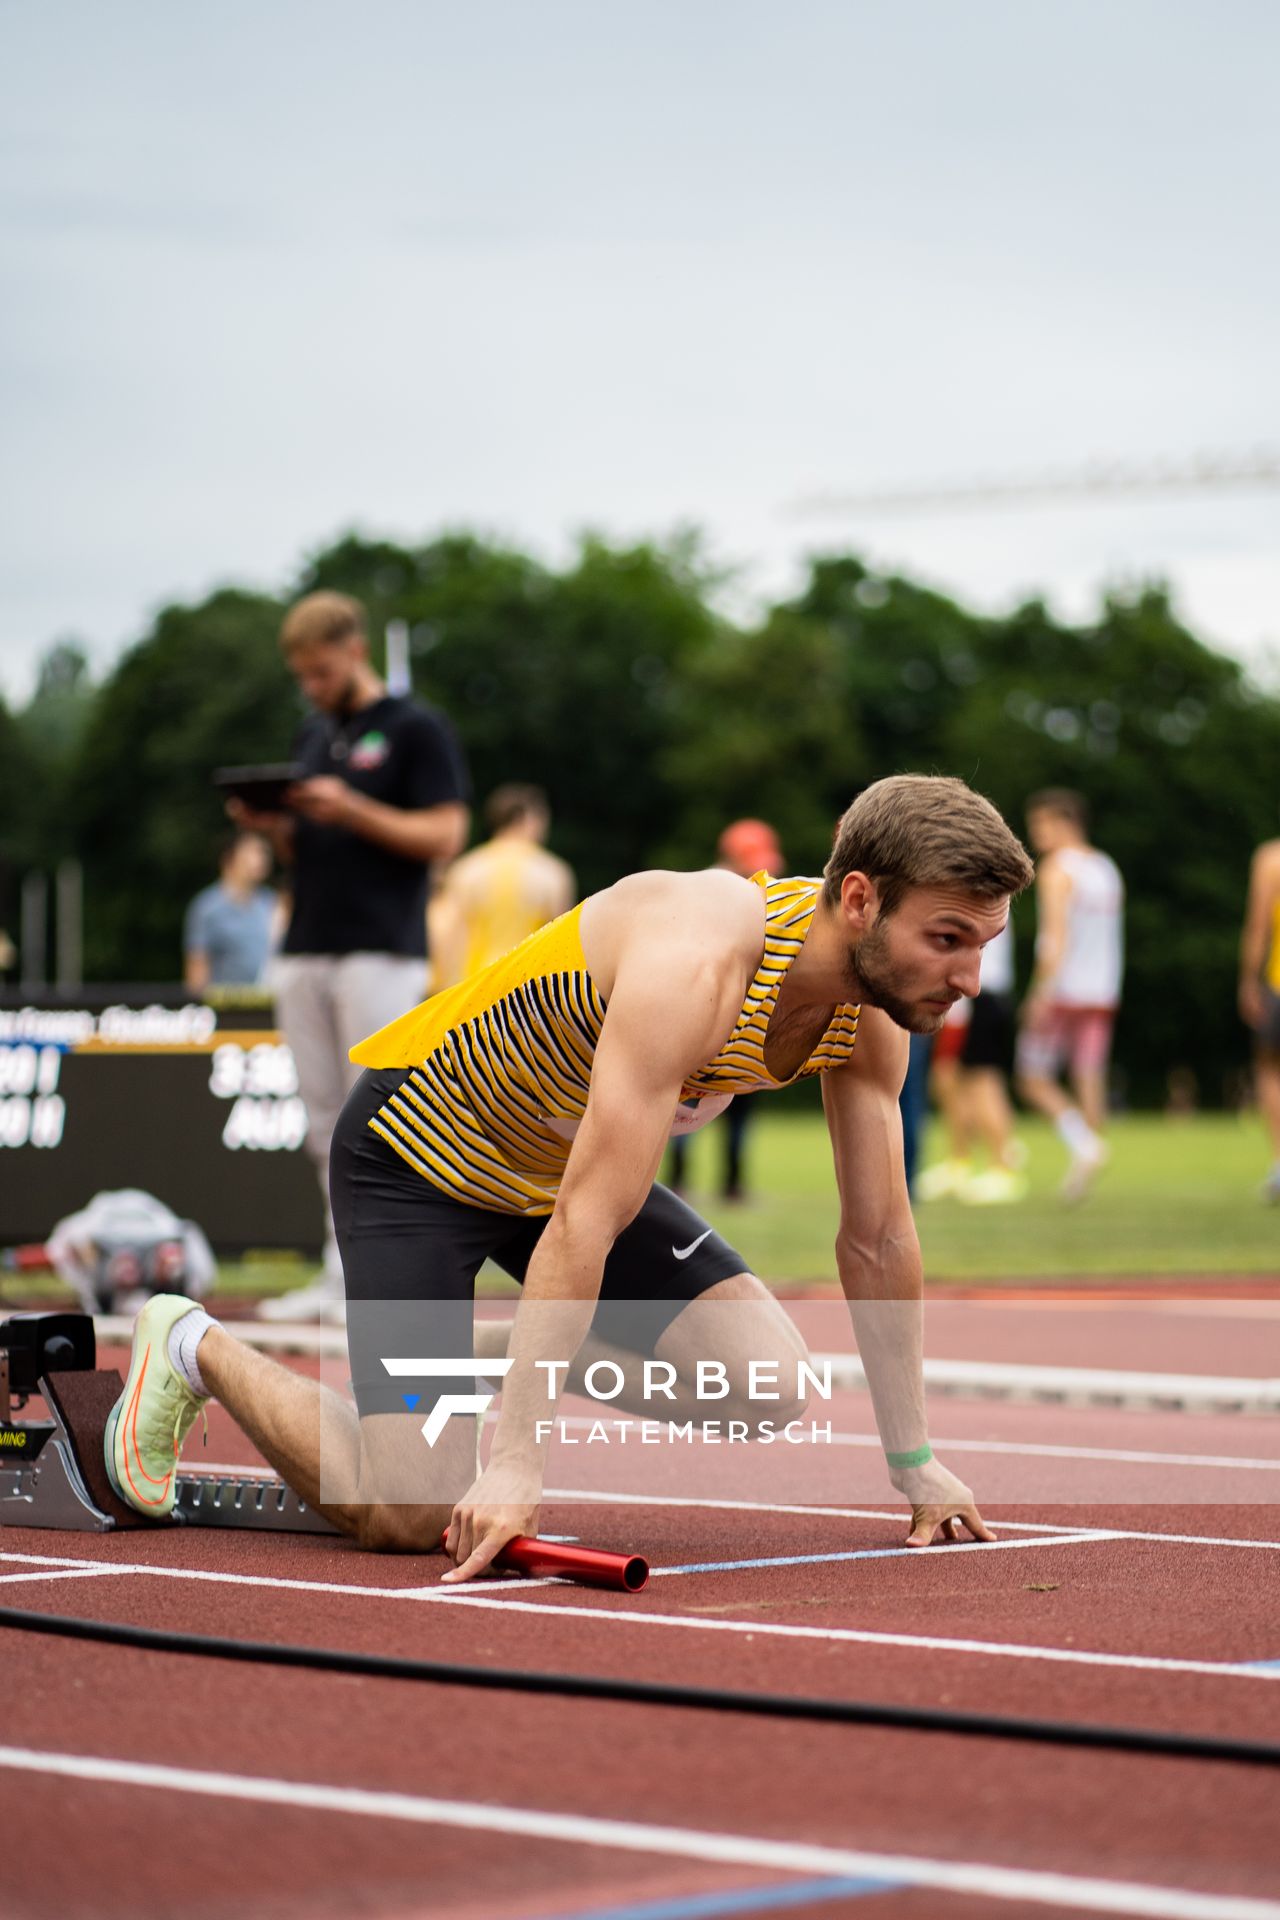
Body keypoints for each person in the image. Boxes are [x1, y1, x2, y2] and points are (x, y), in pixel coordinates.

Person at [104, 775, 1033, 1582]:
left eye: (984, 943)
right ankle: (191, 1342)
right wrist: (516, 1464)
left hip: (563, 1165)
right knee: (409, 1514)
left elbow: (878, 1237)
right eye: (949, 938)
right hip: (423, 1154)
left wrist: (915, 1462)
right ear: (862, 900)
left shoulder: (869, 1016)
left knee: (768, 1384)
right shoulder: (701, 956)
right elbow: (589, 1219)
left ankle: (457, 1374)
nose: (972, 978)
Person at [232, 590, 470, 1320]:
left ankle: (390, 1279)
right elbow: (301, 848)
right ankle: (339, 1273)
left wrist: (354, 809)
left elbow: (447, 835)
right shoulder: (312, 735)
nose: (314, 687)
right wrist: (272, 823)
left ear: (356, 651)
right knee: (321, 1118)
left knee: (381, 1116)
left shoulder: (414, 728)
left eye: (324, 672)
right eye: (303, 675)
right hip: (306, 942)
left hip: (382, 947)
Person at [667, 818, 785, 1202]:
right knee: (684, 1102)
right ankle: (683, 1182)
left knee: (730, 1106)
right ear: (731, 856)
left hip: (739, 1014)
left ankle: (729, 1184)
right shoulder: (710, 893)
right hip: (701, 1013)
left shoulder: (751, 892)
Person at [1015, 789, 1123, 1203]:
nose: (1036, 833)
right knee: (1088, 1074)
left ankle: (1085, 1146)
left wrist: (1039, 992)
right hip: (1102, 990)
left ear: (1067, 822)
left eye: (1042, 824)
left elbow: (1054, 939)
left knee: (1031, 1076)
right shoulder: (1106, 868)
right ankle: (1090, 1154)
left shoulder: (1059, 869)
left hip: (1063, 990)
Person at [914, 920, 1025, 1204]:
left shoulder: (982, 888)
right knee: (945, 1077)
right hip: (964, 999)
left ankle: (1004, 1168)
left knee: (982, 1082)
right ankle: (959, 1161)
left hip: (982, 993)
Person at [429, 783, 575, 989]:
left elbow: (446, 935)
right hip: (526, 988)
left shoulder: (467, 869)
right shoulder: (553, 873)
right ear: (526, 818)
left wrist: (441, 988)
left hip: (474, 985)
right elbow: (561, 943)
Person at [1239, 831, 1280, 1202]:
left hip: (1278, 982)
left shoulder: (1271, 859)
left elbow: (1258, 928)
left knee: (1270, 1071)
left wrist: (1248, 981)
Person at [182, 830, 277, 991]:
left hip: (268, 1002)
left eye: (264, 853)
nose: (262, 859)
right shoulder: (207, 907)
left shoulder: (272, 903)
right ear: (229, 859)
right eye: (252, 852)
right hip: (226, 1006)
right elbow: (197, 967)